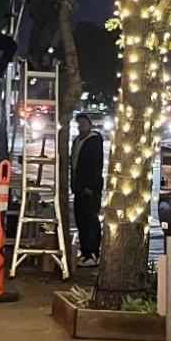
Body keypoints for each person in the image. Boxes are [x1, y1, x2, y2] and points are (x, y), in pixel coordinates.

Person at [70, 114, 104, 267]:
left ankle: (94, 253)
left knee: (91, 220)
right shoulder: (77, 140)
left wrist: (92, 186)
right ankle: (85, 252)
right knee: (80, 221)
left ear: (89, 125)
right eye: (79, 123)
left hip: (90, 189)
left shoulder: (94, 141)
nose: (80, 126)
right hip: (78, 187)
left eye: (83, 123)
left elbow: (95, 165)